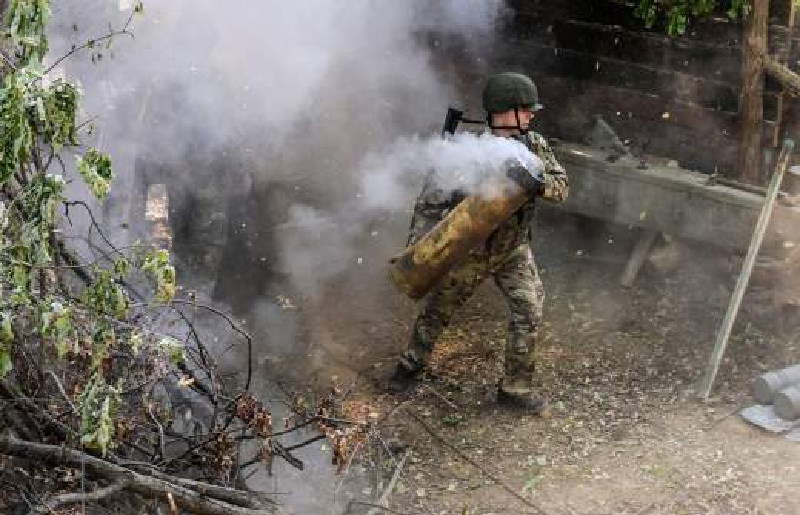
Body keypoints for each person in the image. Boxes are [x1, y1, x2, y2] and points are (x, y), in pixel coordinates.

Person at [389, 72, 569, 411]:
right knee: (438, 312)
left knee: (529, 311)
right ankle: (408, 369)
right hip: (468, 251)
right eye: (526, 110)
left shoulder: (534, 146)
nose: (532, 115)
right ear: (505, 111)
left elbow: (562, 188)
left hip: (512, 250)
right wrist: (415, 248)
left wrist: (535, 182)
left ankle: (514, 389)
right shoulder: (467, 149)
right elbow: (430, 202)